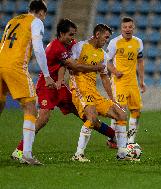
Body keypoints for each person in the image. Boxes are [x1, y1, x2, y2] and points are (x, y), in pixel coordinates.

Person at [11, 19, 117, 163]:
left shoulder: (70, 44)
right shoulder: (54, 47)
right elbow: (74, 66)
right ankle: (19, 150)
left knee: (87, 115)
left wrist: (61, 81)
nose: (73, 39)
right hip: (47, 86)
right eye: (70, 35)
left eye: (74, 35)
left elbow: (63, 65)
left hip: (60, 87)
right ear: (61, 34)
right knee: (43, 118)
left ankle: (113, 136)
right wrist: (96, 68)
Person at [65, 23, 134, 161]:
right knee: (92, 117)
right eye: (106, 37)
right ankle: (78, 154)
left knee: (121, 114)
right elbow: (70, 65)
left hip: (94, 93)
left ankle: (121, 153)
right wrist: (94, 67)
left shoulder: (103, 54)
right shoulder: (80, 47)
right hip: (79, 89)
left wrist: (112, 98)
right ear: (97, 35)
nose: (106, 40)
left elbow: (104, 78)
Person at [0, 0, 56, 165]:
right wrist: (46, 74)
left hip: (0, 63)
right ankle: (27, 154)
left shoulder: (13, 20)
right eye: (44, 15)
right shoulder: (36, 21)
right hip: (16, 66)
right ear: (41, 12)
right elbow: (38, 48)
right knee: (31, 107)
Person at [107, 17, 146, 146]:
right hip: (119, 81)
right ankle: (113, 138)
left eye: (130, 27)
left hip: (132, 81)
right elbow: (106, 61)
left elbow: (140, 62)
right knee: (120, 110)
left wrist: (141, 81)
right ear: (121, 28)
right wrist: (114, 71)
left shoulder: (138, 42)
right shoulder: (115, 42)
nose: (127, 29)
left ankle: (130, 141)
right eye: (125, 27)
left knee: (136, 111)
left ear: (133, 28)